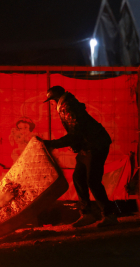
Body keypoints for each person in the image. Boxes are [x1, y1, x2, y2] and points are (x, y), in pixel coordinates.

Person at [42, 86, 117, 227]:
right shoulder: (68, 105)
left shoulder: (68, 108)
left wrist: (52, 144)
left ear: (55, 99)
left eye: (51, 101)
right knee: (78, 177)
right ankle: (87, 214)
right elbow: (78, 131)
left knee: (92, 180)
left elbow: (75, 133)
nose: (51, 105)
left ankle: (110, 215)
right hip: (88, 146)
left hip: (95, 146)